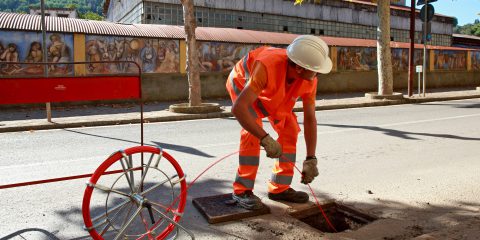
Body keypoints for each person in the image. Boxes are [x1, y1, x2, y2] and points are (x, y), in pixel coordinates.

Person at [226, 35, 332, 210]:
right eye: (315, 70)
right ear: (299, 67)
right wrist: (265, 138)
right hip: (242, 83)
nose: (318, 74)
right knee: (253, 131)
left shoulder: (309, 80)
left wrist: (311, 158)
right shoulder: (267, 66)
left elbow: (310, 118)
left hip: (272, 90)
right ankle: (242, 191)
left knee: (290, 129)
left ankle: (279, 188)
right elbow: (239, 109)